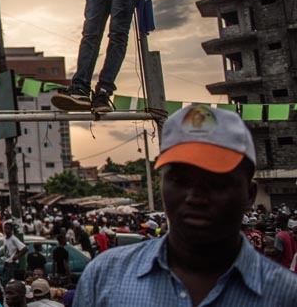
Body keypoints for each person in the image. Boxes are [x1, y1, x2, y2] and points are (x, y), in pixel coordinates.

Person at [73, 105, 297, 306]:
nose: (195, 197)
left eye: (216, 182)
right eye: (180, 180)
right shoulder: (104, 278)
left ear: (249, 194)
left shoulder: (286, 295)